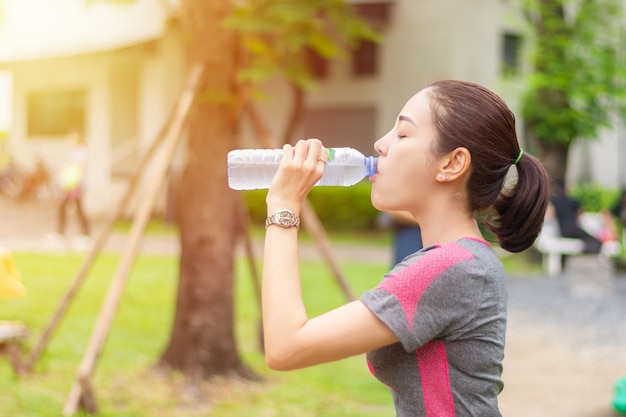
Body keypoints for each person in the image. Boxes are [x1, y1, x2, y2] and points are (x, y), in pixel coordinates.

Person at [261, 79, 549, 416]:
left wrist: (282, 205)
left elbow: (286, 347)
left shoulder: (453, 268)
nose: (380, 144)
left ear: (452, 164)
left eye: (402, 134)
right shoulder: (464, 261)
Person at [55, 129, 91, 241]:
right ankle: (84, 233)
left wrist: (69, 177)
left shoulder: (81, 151)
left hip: (75, 185)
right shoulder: (76, 151)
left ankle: (61, 233)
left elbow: (79, 168)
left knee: (64, 207)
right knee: (75, 208)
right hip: (72, 184)